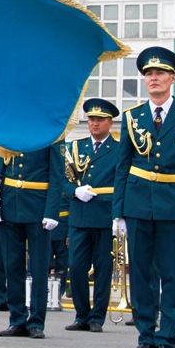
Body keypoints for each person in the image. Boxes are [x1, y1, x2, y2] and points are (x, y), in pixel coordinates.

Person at [113, 47, 175, 348]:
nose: (153, 78)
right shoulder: (132, 117)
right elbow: (122, 167)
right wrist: (119, 212)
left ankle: (167, 337)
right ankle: (146, 335)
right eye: (149, 74)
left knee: (171, 274)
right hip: (138, 205)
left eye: (160, 74)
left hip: (172, 206)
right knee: (140, 274)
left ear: (172, 78)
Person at [59, 98, 119, 333]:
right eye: (92, 119)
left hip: (105, 214)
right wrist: (74, 190)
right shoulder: (76, 147)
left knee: (103, 268)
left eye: (100, 120)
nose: (95, 123)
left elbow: (122, 182)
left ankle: (97, 316)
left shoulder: (118, 149)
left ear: (109, 123)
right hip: (80, 214)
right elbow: (62, 178)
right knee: (76, 265)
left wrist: (118, 215)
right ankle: (81, 314)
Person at [0, 141, 63, 340]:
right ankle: (17, 319)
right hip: (10, 203)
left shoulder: (51, 133)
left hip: (38, 206)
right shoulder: (9, 132)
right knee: (12, 266)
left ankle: (36, 321)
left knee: (39, 268)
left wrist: (51, 212)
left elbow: (57, 175)